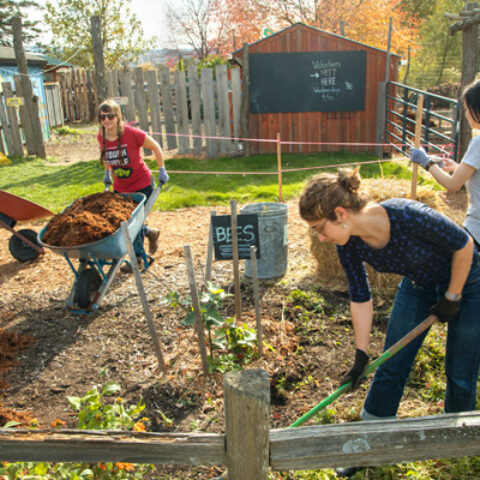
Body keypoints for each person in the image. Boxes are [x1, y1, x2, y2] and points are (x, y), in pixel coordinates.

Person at [298, 168, 480, 478]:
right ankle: (371, 443)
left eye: (320, 228)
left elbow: (463, 244)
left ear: (340, 214)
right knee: (392, 363)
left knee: (460, 372)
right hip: (418, 286)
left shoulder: (407, 215)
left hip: (470, 281)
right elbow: (360, 297)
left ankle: (459, 439)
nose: (320, 237)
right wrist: (360, 354)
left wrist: (453, 296)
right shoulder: (349, 244)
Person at [410, 78, 480, 250]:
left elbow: (452, 185)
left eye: (466, 109)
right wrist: (458, 168)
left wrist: (426, 162)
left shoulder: (478, 142)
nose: (465, 115)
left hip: (476, 231)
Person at [97, 99, 169, 265]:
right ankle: (150, 232)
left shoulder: (132, 134)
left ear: (118, 117)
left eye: (110, 116)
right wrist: (107, 173)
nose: (106, 120)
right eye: (102, 117)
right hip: (121, 188)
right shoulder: (101, 136)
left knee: (133, 225)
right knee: (122, 222)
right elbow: (108, 156)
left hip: (142, 185)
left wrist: (162, 169)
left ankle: (139, 259)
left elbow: (156, 147)